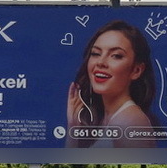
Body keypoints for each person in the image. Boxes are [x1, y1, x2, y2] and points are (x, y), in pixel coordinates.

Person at [66, 19, 159, 148]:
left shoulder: (130, 122)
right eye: (96, 53)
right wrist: (73, 125)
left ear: (136, 70)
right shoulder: (106, 118)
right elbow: (71, 166)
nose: (101, 62)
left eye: (116, 56)